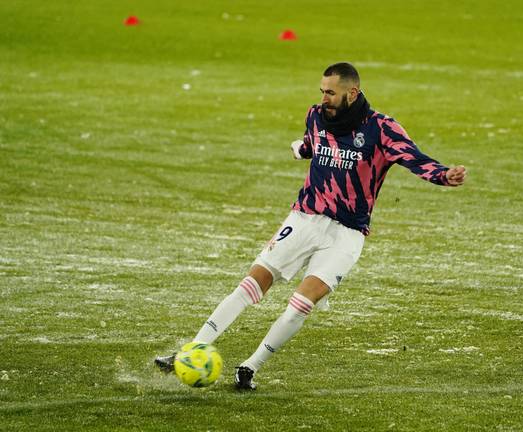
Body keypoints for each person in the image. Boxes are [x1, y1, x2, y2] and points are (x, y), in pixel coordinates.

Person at [155, 62, 467, 390]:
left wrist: (444, 175)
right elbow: (312, 143)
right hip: (304, 218)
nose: (324, 99)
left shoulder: (381, 129)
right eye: (322, 91)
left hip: (346, 235)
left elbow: (413, 158)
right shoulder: (316, 116)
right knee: (252, 283)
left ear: (353, 93)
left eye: (331, 93)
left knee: (300, 305)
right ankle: (193, 348)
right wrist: (300, 148)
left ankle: (250, 367)